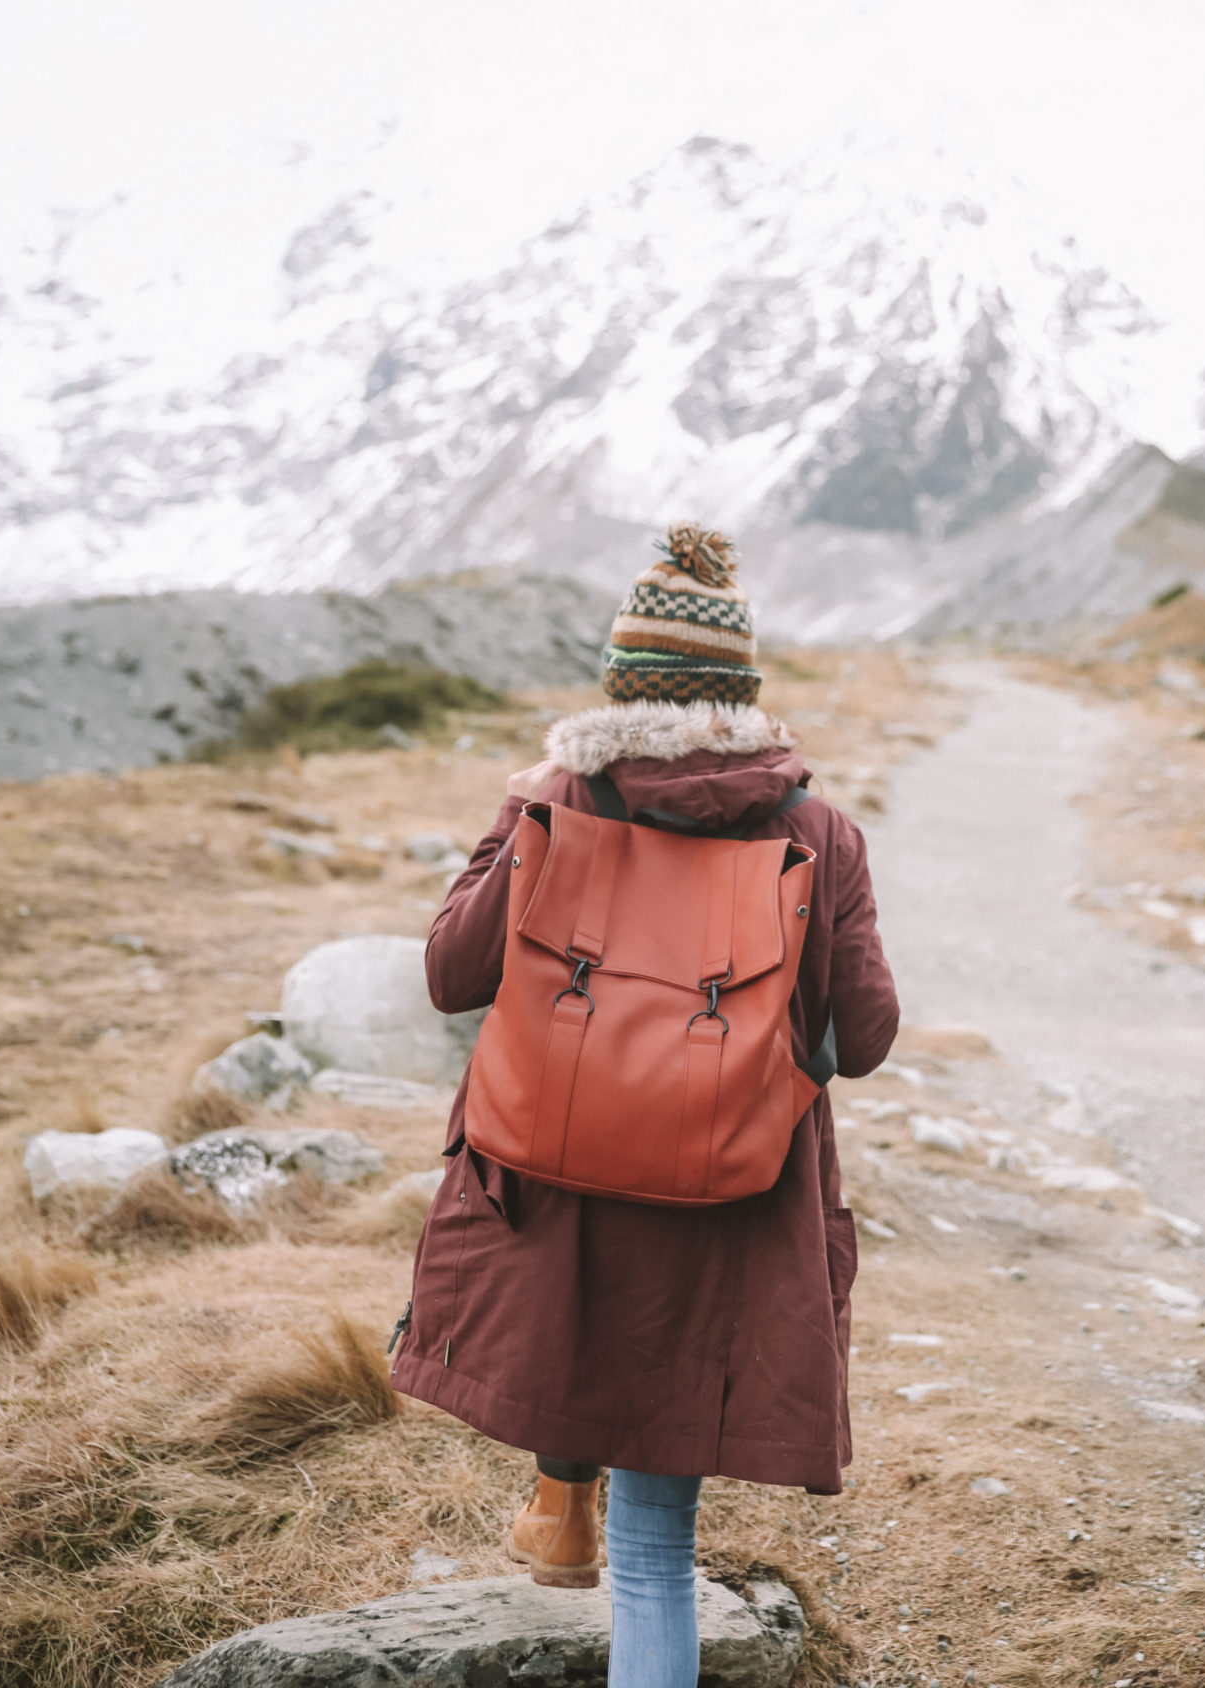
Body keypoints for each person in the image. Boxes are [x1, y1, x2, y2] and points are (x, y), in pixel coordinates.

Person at [390, 523, 900, 1688]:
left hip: (553, 1201)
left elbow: (448, 976)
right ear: (742, 693)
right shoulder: (818, 830)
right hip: (732, 1217)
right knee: (659, 1554)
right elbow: (863, 1041)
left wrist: (517, 818)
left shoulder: (561, 801)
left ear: (621, 685)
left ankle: (559, 1484)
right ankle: (570, 1499)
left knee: (570, 1365)